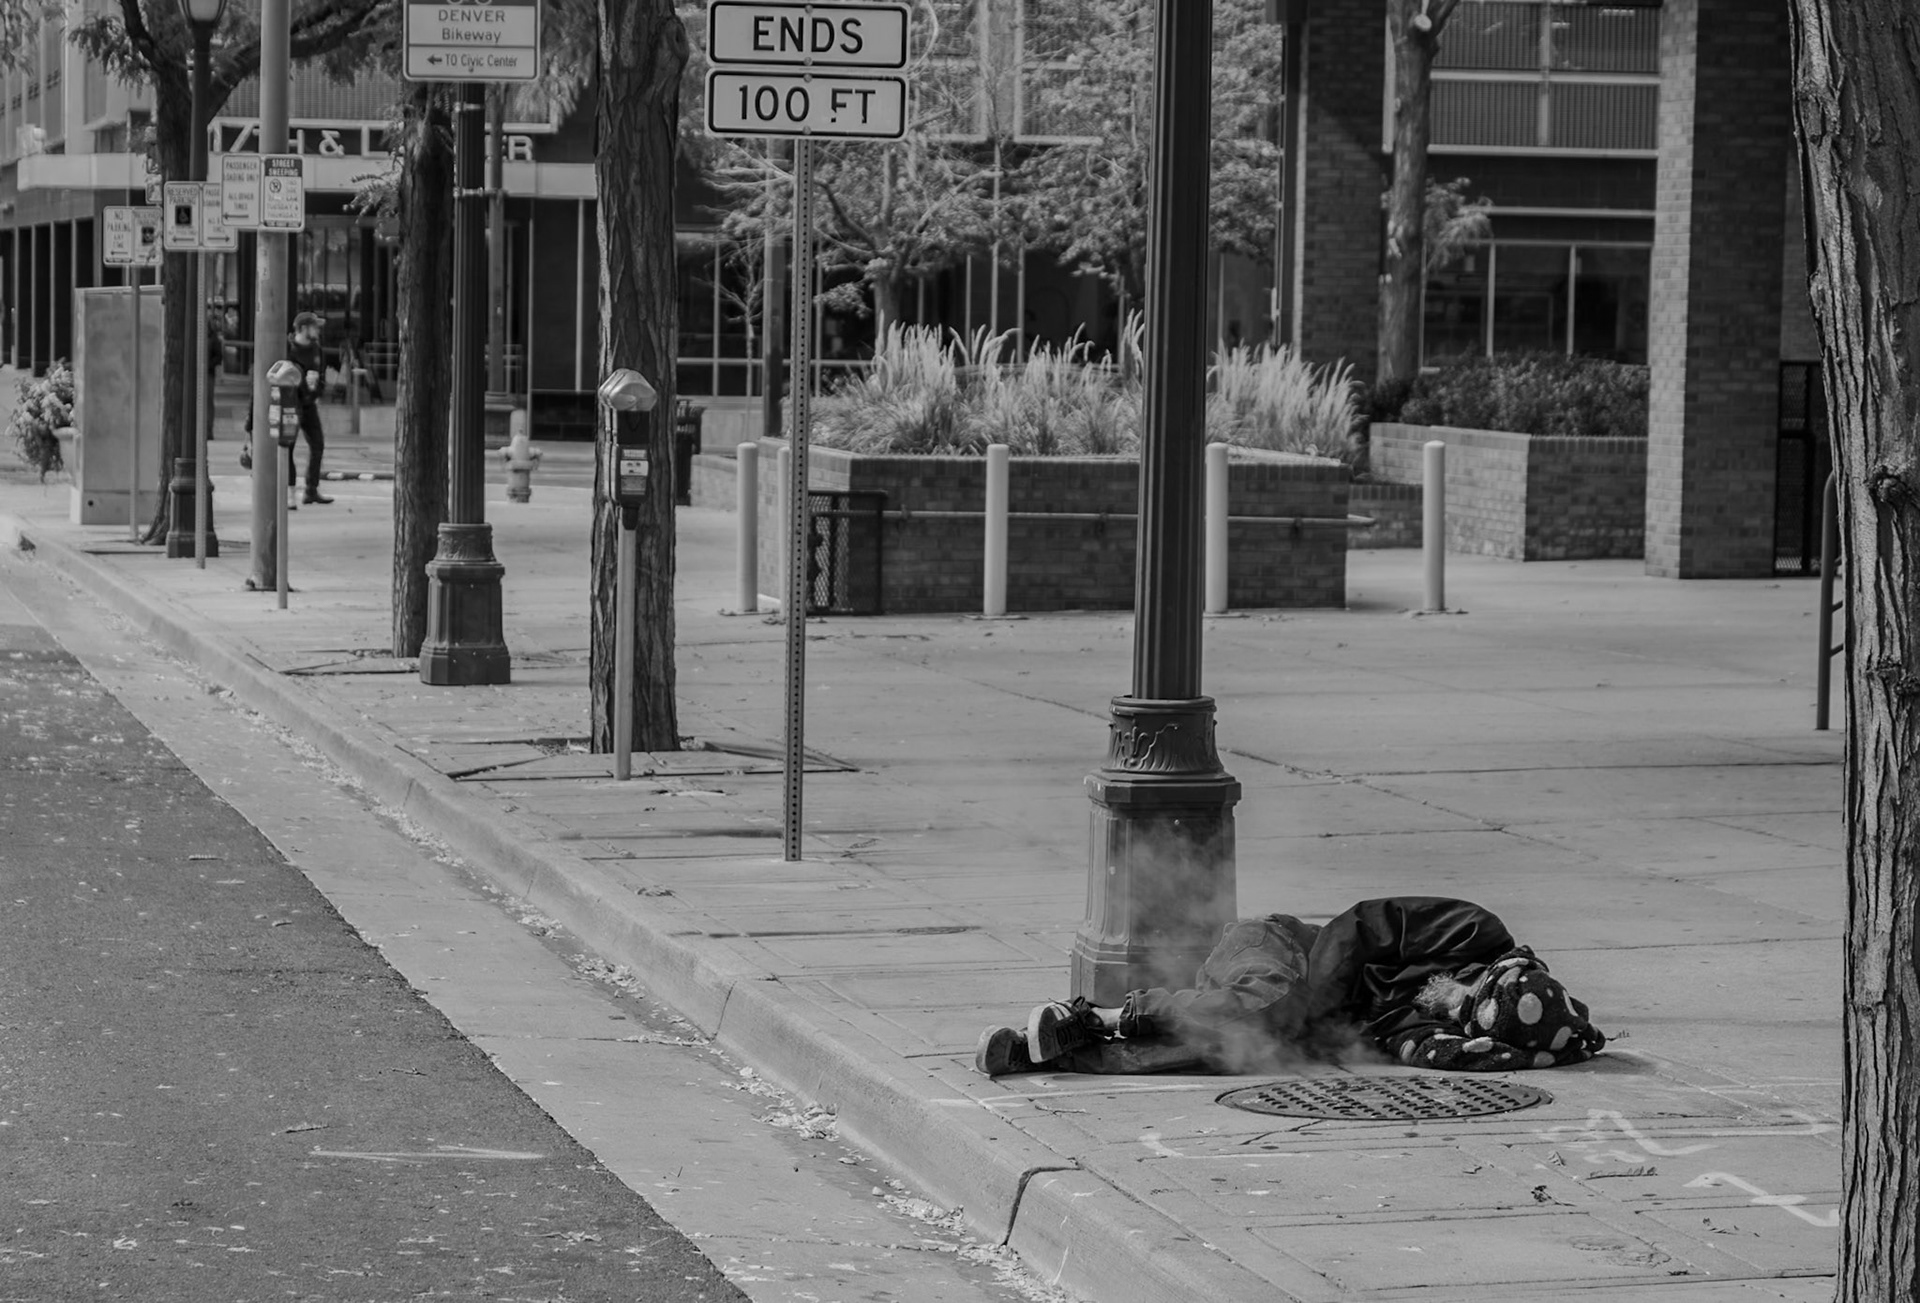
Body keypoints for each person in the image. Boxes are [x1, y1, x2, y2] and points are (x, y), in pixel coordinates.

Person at [974, 897, 1606, 1077]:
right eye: (1470, 995)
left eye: (1470, 1017)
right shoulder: (1474, 930)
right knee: (1275, 1012)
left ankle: (1064, 1048)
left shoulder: (1449, 1024)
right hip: (1281, 953)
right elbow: (1357, 927)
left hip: (1268, 1009)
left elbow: (1390, 1042)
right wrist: (1315, 1013)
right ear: (1494, 974)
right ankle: (1112, 1014)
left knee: (1248, 1050)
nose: (1454, 1004)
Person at [286, 311, 332, 505]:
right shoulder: (288, 349)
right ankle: (290, 493)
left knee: (318, 444)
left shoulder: (316, 349)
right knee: (288, 447)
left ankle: (311, 489)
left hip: (309, 403)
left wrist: (317, 389)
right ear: (303, 328)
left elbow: (321, 374)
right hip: (292, 404)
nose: (318, 331)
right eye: (315, 327)